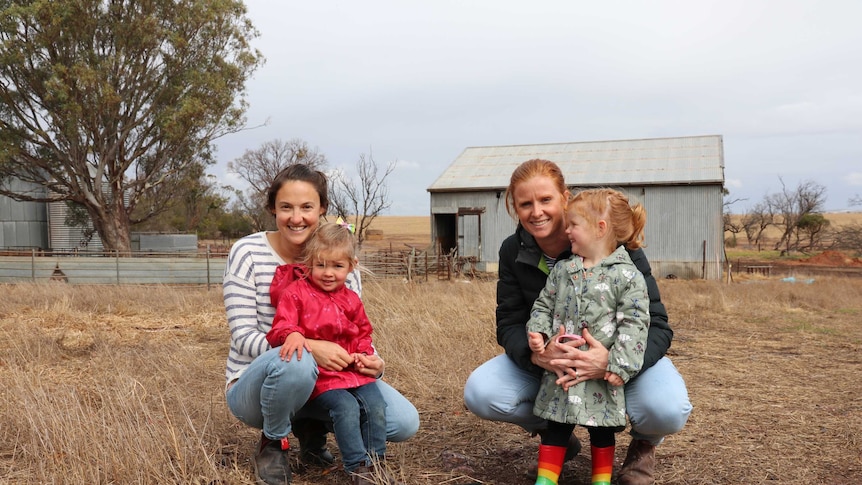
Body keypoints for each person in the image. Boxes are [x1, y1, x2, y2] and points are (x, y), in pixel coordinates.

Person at [463, 159, 692, 485]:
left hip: (617, 359)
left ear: (565, 198)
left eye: (545, 200)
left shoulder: (612, 243)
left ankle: (643, 446)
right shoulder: (513, 250)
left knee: (668, 408)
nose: (536, 211)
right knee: (481, 392)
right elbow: (510, 321)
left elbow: (656, 323)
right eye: (525, 204)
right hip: (554, 365)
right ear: (515, 208)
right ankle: (556, 434)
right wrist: (536, 354)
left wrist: (611, 362)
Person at [223, 164, 419, 485]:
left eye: (306, 207)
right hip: (258, 383)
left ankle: (312, 431)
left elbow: (354, 327)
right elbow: (243, 337)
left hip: (331, 378)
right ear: (273, 207)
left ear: (322, 209)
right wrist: (311, 348)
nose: (296, 217)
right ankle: (273, 443)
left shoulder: (338, 257)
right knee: (297, 359)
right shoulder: (247, 253)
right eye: (286, 207)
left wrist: (372, 361)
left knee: (403, 422)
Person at [526, 188, 650, 485]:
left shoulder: (627, 276)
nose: (566, 230)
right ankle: (546, 479)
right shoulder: (564, 270)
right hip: (564, 369)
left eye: (573, 224)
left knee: (602, 429)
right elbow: (543, 303)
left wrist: (620, 365)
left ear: (600, 228)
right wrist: (539, 331)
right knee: (555, 425)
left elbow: (635, 323)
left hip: (600, 373)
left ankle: (601, 480)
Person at [265, 222, 398, 484]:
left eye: (337, 266)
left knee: (376, 405)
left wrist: (363, 355)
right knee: (346, 407)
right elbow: (282, 325)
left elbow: (362, 333)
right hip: (321, 376)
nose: (328, 273)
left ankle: (376, 463)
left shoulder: (351, 298)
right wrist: (293, 334)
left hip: (352, 372)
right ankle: (358, 468)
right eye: (321, 265)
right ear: (309, 263)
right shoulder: (296, 293)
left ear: (351, 266)